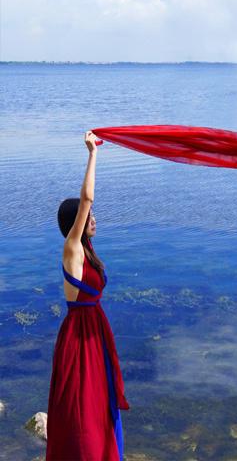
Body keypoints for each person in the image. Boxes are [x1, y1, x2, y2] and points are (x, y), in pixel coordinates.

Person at [46, 131, 129, 461]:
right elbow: (87, 199)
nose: (93, 218)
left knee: (97, 403)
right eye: (86, 218)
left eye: (91, 217)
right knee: (80, 407)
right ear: (74, 225)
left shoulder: (88, 251)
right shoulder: (72, 248)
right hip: (79, 336)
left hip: (94, 332)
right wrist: (92, 153)